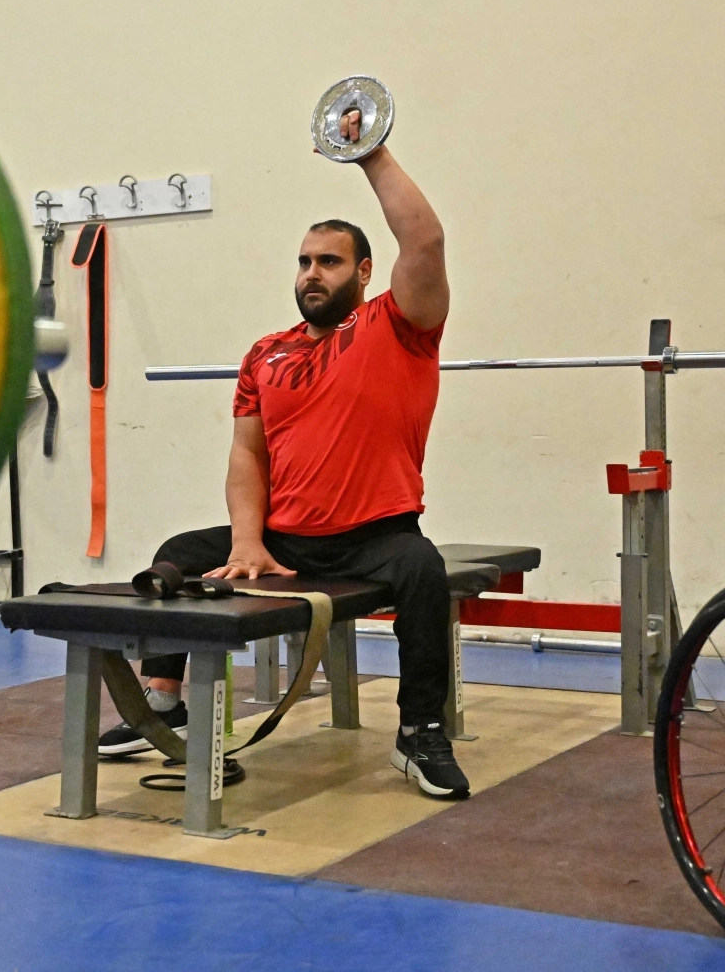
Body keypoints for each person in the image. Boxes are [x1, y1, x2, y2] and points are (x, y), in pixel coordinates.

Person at [98, 108, 469, 799]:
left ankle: (420, 732)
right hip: (287, 537)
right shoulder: (265, 354)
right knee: (178, 550)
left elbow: (426, 240)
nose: (311, 274)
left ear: (364, 271)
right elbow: (248, 456)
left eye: (329, 261)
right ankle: (164, 703)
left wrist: (369, 154)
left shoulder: (399, 326)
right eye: (303, 262)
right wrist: (247, 541)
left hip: (375, 538)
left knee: (424, 570)